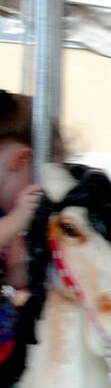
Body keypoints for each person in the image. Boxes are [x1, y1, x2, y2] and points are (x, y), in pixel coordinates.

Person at [0, 90, 48, 295]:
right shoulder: (12, 220)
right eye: (38, 180)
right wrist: (16, 220)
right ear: (21, 159)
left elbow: (16, 275)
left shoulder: (8, 216)